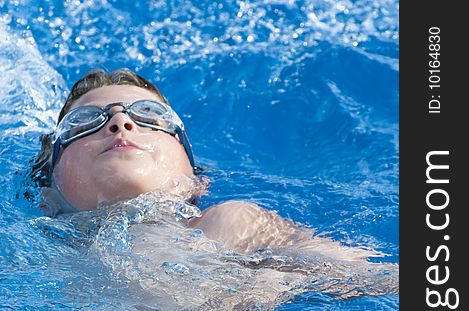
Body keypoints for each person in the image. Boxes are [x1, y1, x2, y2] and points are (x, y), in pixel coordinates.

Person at [31, 67, 397, 269]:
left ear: (196, 182)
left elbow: (376, 279)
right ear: (47, 196)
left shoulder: (230, 227)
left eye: (149, 116)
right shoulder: (27, 262)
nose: (121, 123)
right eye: (83, 123)